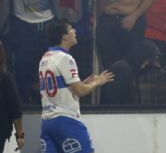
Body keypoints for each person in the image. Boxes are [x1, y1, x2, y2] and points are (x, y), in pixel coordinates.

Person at [39, 21, 114, 153]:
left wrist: (84, 82)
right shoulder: (65, 58)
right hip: (66, 121)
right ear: (64, 37)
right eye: (70, 29)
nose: (75, 31)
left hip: (47, 122)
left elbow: (60, 88)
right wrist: (98, 81)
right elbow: (80, 91)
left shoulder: (45, 58)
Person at [100, 39, 160, 104]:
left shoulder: (130, 70)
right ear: (140, 56)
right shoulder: (122, 69)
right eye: (147, 60)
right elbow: (110, 99)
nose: (147, 63)